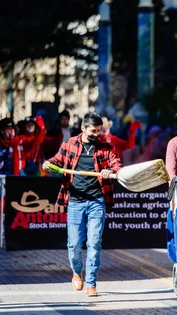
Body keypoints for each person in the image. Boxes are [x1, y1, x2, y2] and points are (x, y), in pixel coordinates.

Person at [41, 112, 122, 297]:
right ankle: (77, 272)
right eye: (93, 131)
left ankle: (91, 283)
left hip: (96, 201)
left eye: (99, 131)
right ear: (83, 129)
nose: (96, 134)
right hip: (76, 201)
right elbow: (56, 161)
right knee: (74, 244)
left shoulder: (105, 147)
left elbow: (117, 164)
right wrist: (48, 165)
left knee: (94, 243)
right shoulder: (70, 144)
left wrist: (110, 170)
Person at [0, 118, 17, 241]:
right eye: (6, 130)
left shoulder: (17, 144)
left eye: (10, 129)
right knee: (1, 204)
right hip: (0, 177)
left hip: (14, 177)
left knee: (13, 204)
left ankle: (10, 230)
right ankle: (0, 229)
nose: (9, 132)